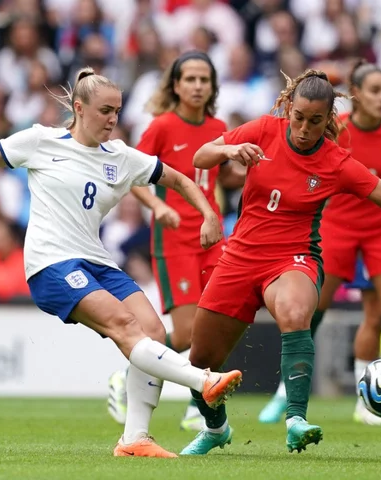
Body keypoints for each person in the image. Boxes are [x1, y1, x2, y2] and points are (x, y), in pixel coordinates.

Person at [0, 67, 243, 459]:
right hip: (51, 263)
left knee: (154, 332)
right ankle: (203, 380)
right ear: (79, 107)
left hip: (97, 261)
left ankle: (135, 438)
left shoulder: (120, 157)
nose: (112, 119)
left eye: (117, 111)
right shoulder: (41, 141)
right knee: (125, 326)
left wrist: (209, 214)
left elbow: (180, 179)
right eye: (105, 110)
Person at [180, 68, 381, 456]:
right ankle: (215, 429)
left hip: (293, 258)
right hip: (240, 256)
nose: (305, 128)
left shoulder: (336, 161)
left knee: (296, 312)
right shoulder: (262, 130)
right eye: (298, 118)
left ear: (329, 119)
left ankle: (296, 418)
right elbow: (200, 155)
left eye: (315, 121)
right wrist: (228, 150)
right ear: (288, 108)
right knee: (201, 360)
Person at [259, 50, 381, 427]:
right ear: (357, 93)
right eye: (375, 91)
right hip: (338, 225)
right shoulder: (335, 128)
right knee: (314, 310)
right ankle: (285, 392)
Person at [107, 51, 245, 431]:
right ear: (176, 85)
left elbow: (218, 178)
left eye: (205, 80)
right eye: (191, 79)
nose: (198, 86)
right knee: (185, 331)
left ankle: (196, 402)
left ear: (213, 86)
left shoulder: (219, 126)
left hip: (212, 237)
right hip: (173, 240)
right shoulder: (162, 127)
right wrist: (157, 206)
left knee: (216, 324)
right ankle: (133, 369)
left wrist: (245, 170)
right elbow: (130, 175)